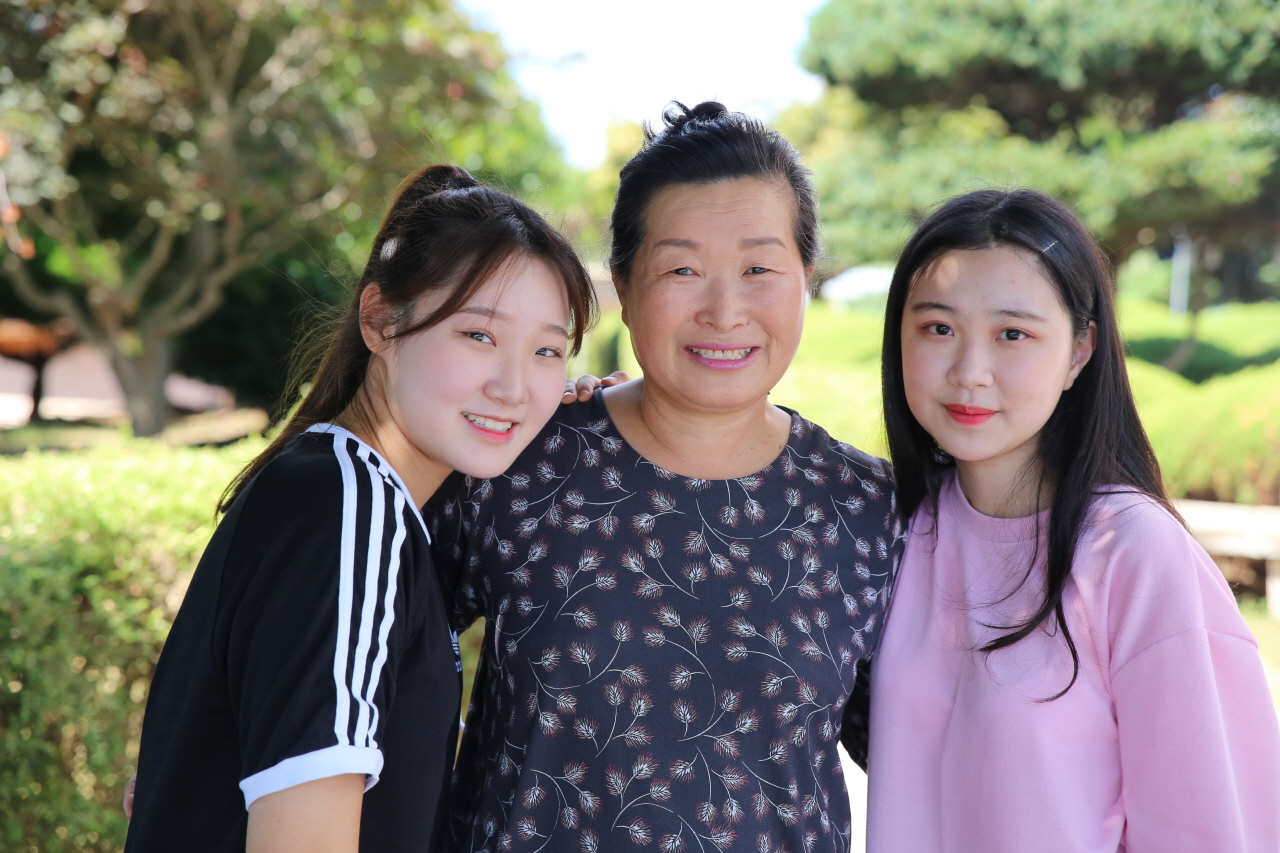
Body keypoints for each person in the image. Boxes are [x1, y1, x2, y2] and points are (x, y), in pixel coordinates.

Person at [428, 102, 902, 853]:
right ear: (622, 284)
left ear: (805, 279)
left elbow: (931, 755)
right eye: (682, 269)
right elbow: (378, 691)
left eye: (759, 269)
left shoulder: (869, 509)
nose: (724, 311)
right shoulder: (521, 464)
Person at [124, 164, 597, 853]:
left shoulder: (340, 493)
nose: (515, 387)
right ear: (380, 321)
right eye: (479, 336)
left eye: (548, 350)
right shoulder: (348, 511)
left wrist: (591, 434)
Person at [866, 188, 1280, 852]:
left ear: (1080, 351)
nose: (970, 372)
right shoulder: (891, 532)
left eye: (1013, 334)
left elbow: (1207, 829)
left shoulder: (1133, 554)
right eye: (939, 328)